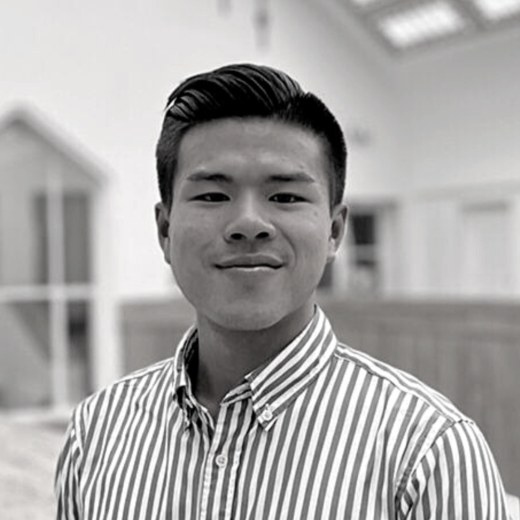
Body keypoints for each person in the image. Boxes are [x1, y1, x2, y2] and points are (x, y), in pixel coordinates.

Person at [55, 63, 511, 519]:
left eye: (286, 197)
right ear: (164, 230)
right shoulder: (97, 433)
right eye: (212, 196)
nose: (248, 223)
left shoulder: (427, 454)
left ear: (334, 231)